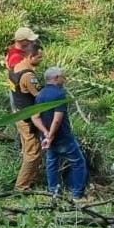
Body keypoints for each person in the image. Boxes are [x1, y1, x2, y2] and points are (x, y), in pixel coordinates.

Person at [33, 66, 89, 203]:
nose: (64, 79)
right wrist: (51, 135)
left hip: (47, 139)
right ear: (56, 78)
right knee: (78, 163)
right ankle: (77, 195)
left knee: (52, 163)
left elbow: (35, 117)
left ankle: (53, 193)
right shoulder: (58, 95)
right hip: (62, 137)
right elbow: (57, 119)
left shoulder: (40, 95)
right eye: (63, 76)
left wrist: (46, 134)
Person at [10, 43, 45, 192]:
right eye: (39, 57)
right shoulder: (28, 76)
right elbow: (40, 96)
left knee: (28, 149)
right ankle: (21, 186)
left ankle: (31, 178)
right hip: (28, 119)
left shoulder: (14, 68)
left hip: (19, 113)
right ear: (30, 57)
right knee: (33, 152)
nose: (41, 60)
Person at [6, 27, 39, 111]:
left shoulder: (14, 47)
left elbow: (6, 60)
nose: (33, 42)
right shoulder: (16, 58)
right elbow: (19, 76)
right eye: (29, 40)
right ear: (22, 41)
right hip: (20, 92)